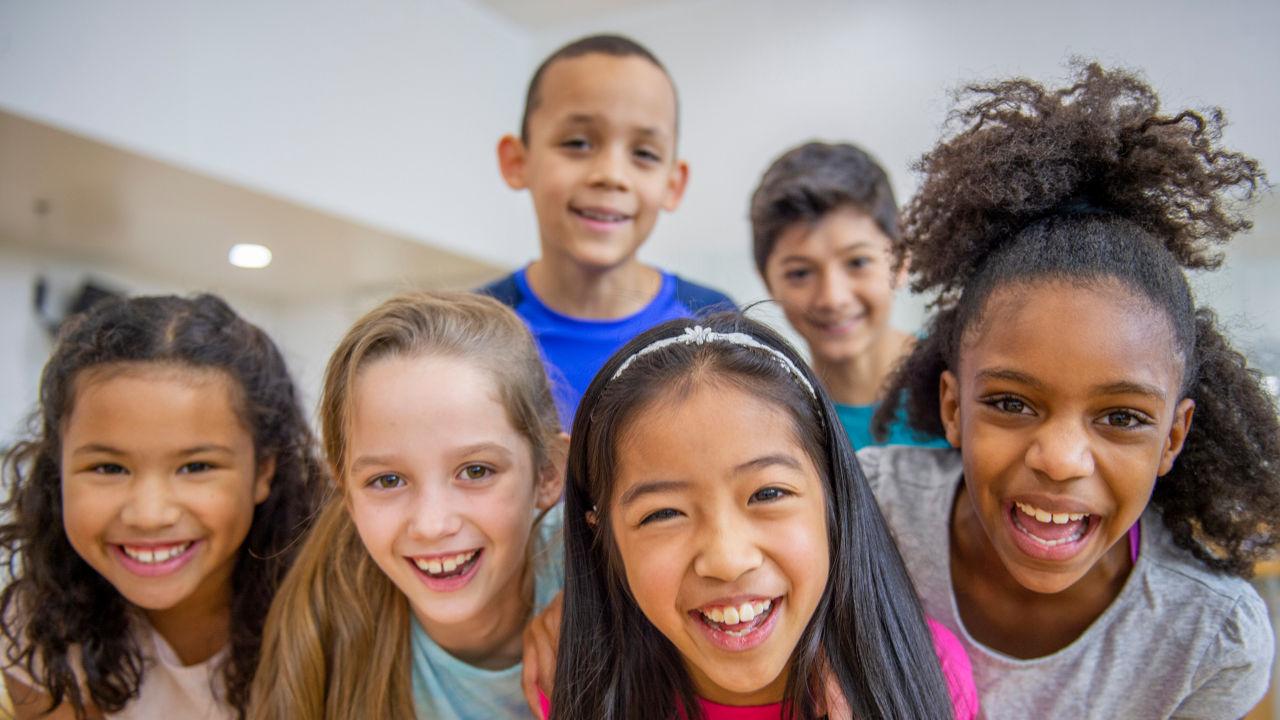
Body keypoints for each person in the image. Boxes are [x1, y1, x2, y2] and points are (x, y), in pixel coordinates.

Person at [862, 63, 1279, 717]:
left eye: (1121, 416)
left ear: (1174, 436)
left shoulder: (1209, 638)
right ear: (952, 407)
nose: (1060, 459)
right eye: (1009, 403)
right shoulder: (869, 515)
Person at [551, 314, 976, 719]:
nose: (727, 559)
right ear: (601, 536)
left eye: (767, 493)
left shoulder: (923, 671)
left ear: (833, 495)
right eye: (663, 513)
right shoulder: (573, 683)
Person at [0, 294, 327, 719]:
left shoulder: (335, 611)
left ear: (263, 471)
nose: (149, 515)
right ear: (57, 469)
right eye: (109, 468)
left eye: (195, 466)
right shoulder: (39, 623)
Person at [249, 292, 567, 720]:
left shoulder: (610, 572)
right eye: (387, 480)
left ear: (547, 473)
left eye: (475, 471)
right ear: (347, 494)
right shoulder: (322, 627)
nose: (432, 525)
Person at [485, 33, 735, 428]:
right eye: (578, 143)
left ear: (673, 184)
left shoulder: (714, 324)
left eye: (644, 154)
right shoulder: (468, 334)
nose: (611, 176)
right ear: (518, 161)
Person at [751, 141, 947, 449]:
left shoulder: (958, 383)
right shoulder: (770, 423)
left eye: (858, 262)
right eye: (800, 273)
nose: (833, 298)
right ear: (767, 280)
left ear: (901, 260)